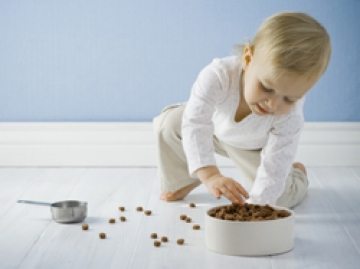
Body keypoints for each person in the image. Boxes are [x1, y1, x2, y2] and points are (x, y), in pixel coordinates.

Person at [153, 11, 331, 208]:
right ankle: (181, 180)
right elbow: (196, 123)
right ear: (248, 59)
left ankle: (296, 176)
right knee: (169, 124)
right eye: (267, 88)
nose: (273, 104)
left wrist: (257, 207)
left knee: (278, 198)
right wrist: (210, 175)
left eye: (289, 98)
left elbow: (275, 163)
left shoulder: (291, 115)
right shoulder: (218, 75)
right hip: (213, 131)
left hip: (253, 148)